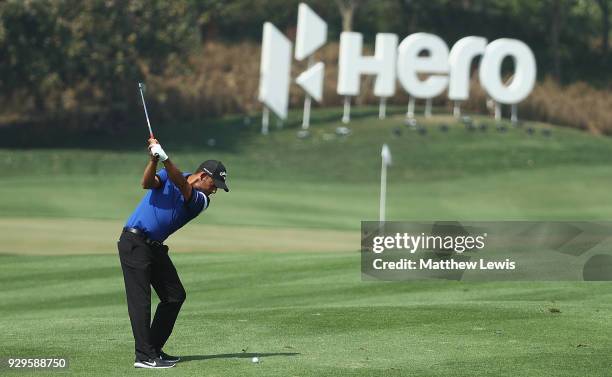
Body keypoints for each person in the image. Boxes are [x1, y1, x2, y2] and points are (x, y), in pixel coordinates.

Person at [117, 138, 229, 369]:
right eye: (214, 183)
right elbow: (147, 183)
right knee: (141, 301)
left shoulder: (201, 200)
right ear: (203, 176)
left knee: (174, 295)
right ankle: (144, 356)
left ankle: (154, 349)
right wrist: (154, 160)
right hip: (134, 241)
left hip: (154, 247)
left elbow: (183, 187)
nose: (215, 189)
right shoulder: (173, 173)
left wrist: (166, 159)